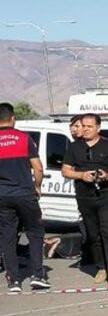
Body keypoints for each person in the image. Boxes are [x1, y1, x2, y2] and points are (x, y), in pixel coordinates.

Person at [62, 114, 108, 286]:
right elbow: (65, 171)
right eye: (83, 126)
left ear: (98, 128)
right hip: (84, 196)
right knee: (92, 234)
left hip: (105, 195)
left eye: (89, 126)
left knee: (107, 231)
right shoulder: (74, 147)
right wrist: (81, 175)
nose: (85, 129)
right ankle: (101, 268)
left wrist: (107, 175)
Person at [0, 102, 49, 292]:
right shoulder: (24, 138)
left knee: (8, 237)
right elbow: (38, 168)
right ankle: (37, 275)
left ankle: (14, 280)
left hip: (2, 197)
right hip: (24, 193)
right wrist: (37, 186)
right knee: (35, 233)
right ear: (13, 118)